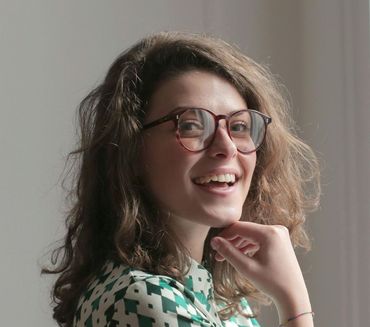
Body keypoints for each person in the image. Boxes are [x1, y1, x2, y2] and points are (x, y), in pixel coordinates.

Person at [43, 31, 320, 327]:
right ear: (132, 151)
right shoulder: (142, 298)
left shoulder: (225, 304)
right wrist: (294, 304)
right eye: (190, 126)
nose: (226, 147)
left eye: (239, 126)